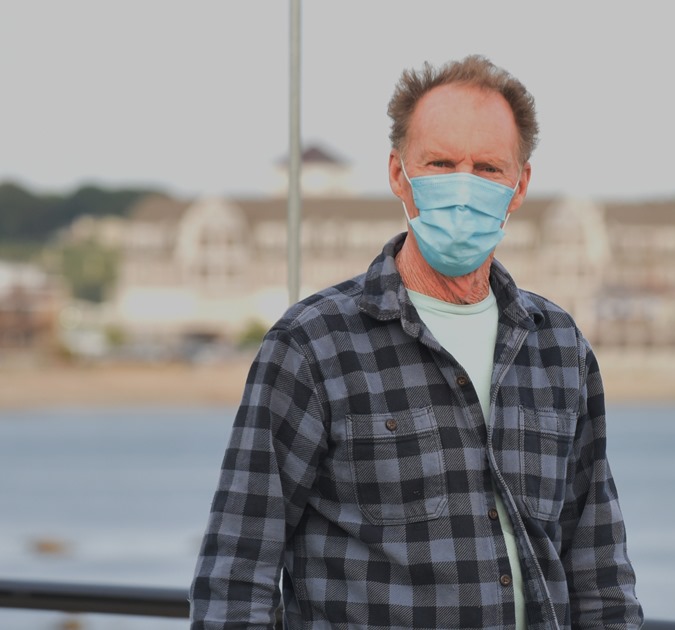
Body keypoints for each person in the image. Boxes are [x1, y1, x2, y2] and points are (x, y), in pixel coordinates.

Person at [189, 54, 642, 630]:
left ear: (520, 185)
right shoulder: (312, 347)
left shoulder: (558, 347)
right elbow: (236, 576)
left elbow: (599, 568)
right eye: (440, 163)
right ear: (399, 174)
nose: (463, 186)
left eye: (487, 168)